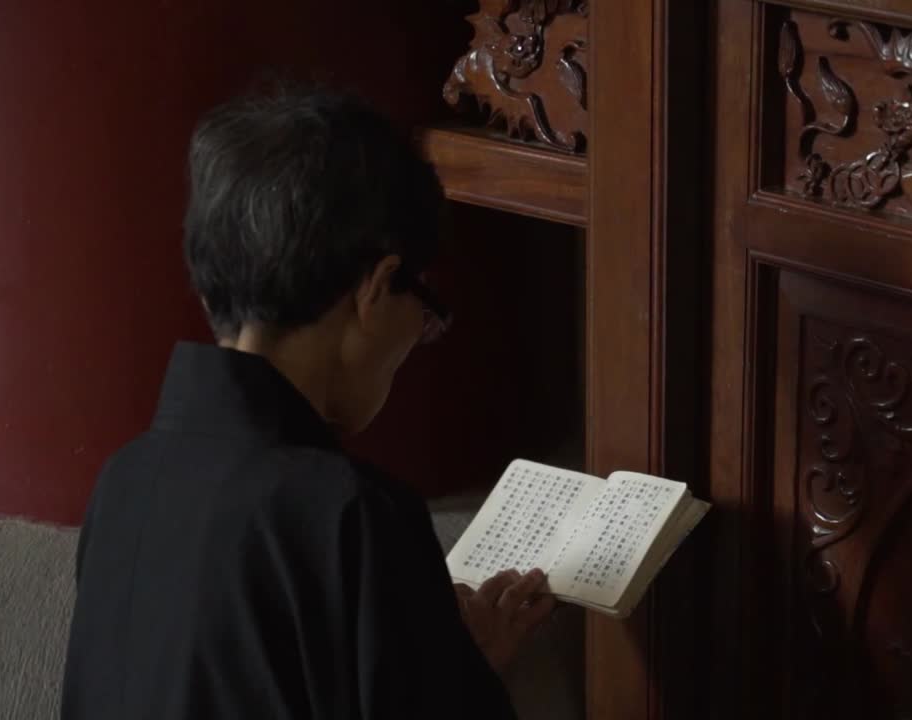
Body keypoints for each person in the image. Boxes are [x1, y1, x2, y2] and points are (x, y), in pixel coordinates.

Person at [61, 87, 553, 719]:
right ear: (376, 289)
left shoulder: (123, 485)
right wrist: (460, 678)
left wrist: (445, 661)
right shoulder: (349, 514)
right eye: (424, 311)